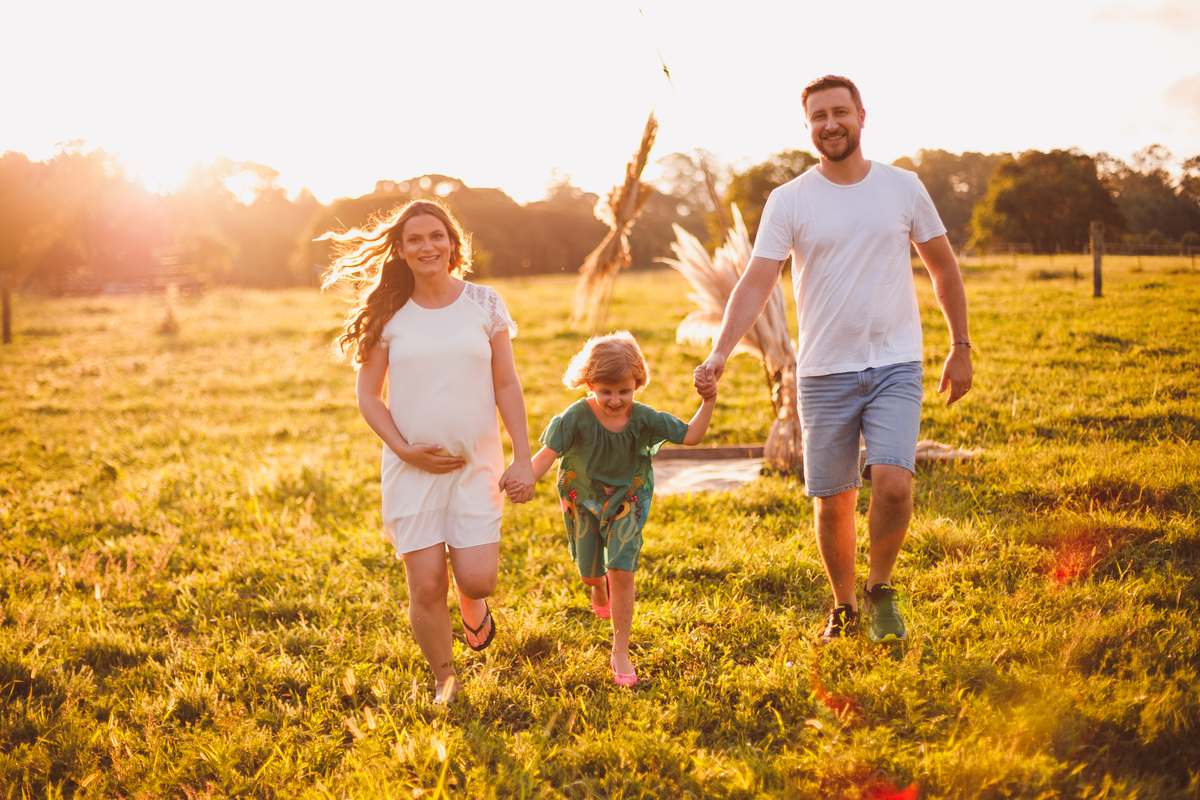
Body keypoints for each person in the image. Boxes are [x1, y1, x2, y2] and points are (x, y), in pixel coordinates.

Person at [694, 75, 973, 644]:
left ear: (862, 115)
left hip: (895, 363)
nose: (830, 124)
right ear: (808, 126)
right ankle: (844, 606)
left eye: (840, 112)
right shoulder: (790, 199)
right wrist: (721, 350)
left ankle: (881, 590)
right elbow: (756, 281)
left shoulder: (903, 188)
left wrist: (959, 346)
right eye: (818, 116)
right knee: (833, 501)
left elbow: (943, 267)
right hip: (822, 372)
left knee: (894, 484)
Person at [322, 199, 535, 704]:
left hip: (475, 465)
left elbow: (506, 383)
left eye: (436, 236)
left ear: (452, 242)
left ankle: (472, 603)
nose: (427, 246)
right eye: (414, 239)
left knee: (479, 580)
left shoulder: (484, 304)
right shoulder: (388, 314)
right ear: (399, 249)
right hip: (411, 468)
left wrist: (522, 456)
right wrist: (404, 450)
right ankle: (445, 680)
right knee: (425, 585)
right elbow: (368, 396)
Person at [504, 332, 715, 685]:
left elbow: (691, 435)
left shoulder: (644, 418)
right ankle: (595, 585)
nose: (615, 400)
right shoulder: (573, 418)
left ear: (637, 384)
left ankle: (620, 650)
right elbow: (545, 457)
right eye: (606, 391)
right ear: (589, 385)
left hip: (627, 501)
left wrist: (708, 401)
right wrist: (526, 479)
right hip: (581, 500)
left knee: (621, 568)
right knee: (590, 573)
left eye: (624, 391)